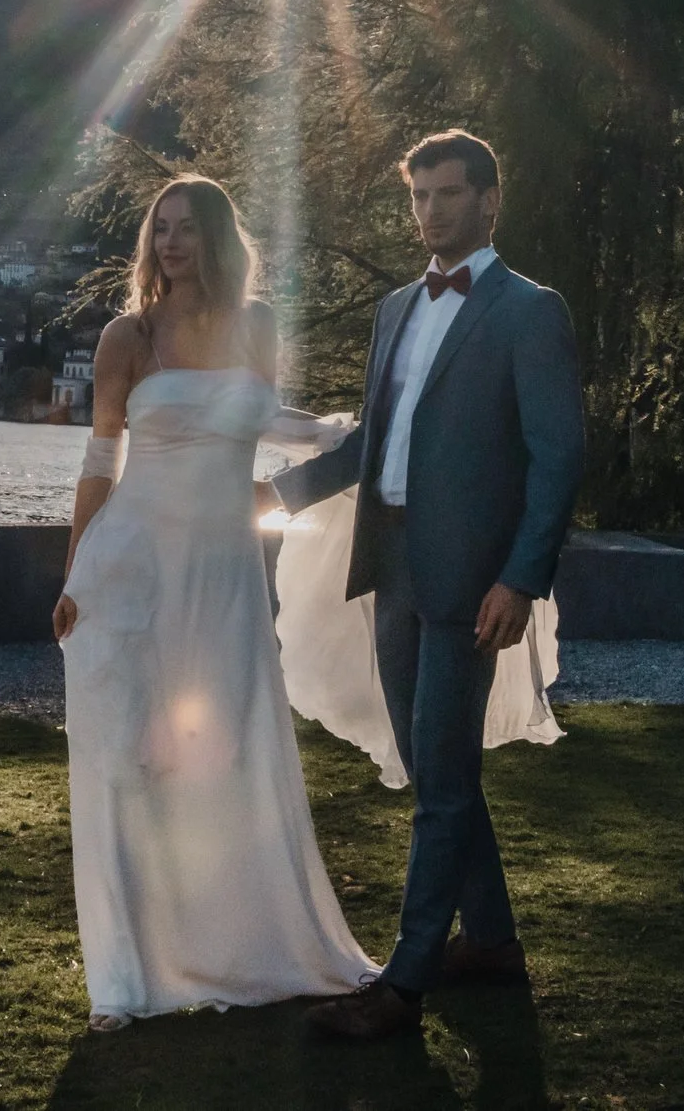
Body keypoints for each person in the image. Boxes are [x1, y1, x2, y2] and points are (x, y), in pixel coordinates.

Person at [264, 129, 587, 1041]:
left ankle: (402, 985)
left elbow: (558, 456)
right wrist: (276, 492)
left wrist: (521, 577)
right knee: (431, 764)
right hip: (391, 564)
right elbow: (372, 443)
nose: (430, 212)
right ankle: (488, 941)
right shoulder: (398, 306)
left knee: (440, 778)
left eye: (448, 194)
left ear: (489, 201)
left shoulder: (531, 310)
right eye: (419, 196)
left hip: (471, 580)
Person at [52, 176, 376, 1031]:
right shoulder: (130, 336)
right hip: (133, 568)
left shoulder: (256, 325)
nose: (171, 243)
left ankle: (251, 944)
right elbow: (98, 463)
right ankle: (124, 977)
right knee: (128, 755)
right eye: (160, 228)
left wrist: (337, 435)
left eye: (188, 229)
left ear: (218, 239)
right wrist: (72, 571)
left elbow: (262, 417)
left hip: (228, 571)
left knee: (232, 747)